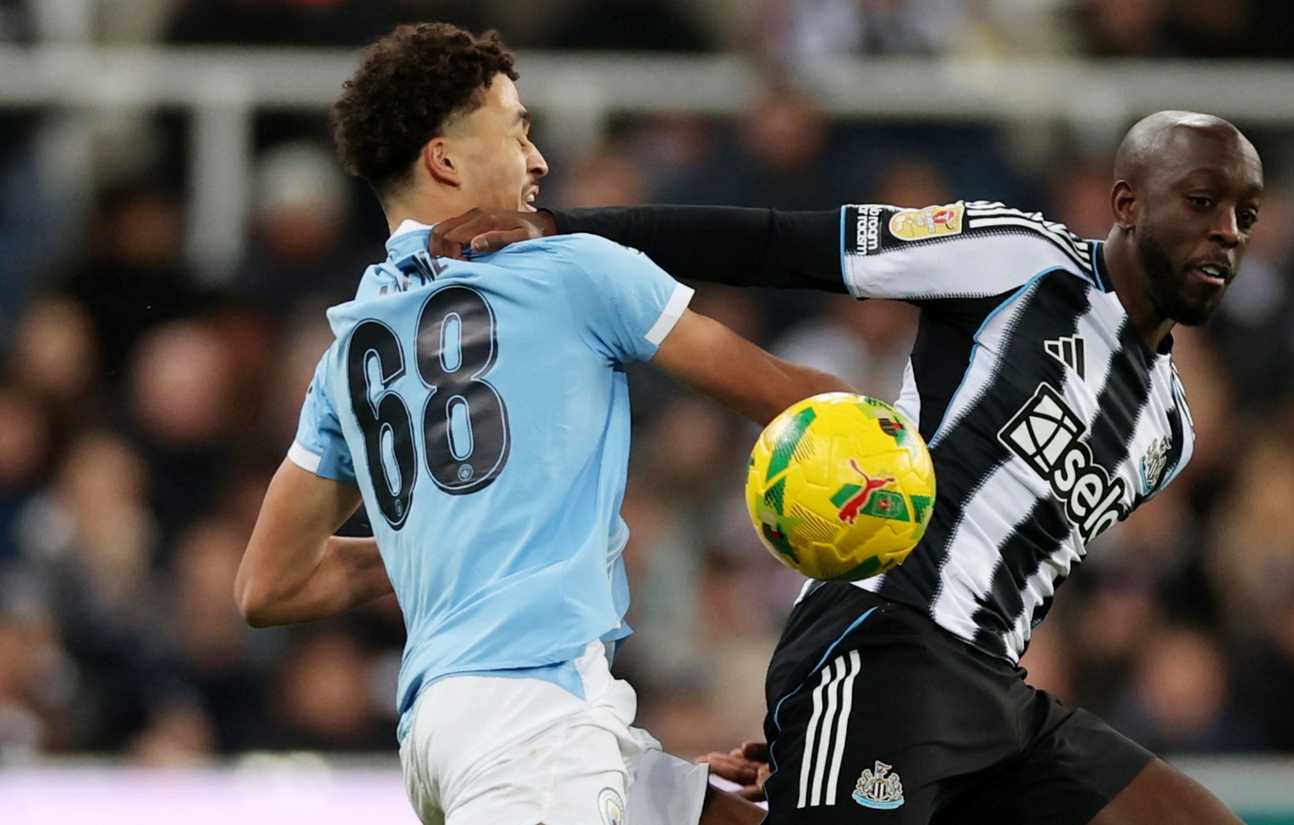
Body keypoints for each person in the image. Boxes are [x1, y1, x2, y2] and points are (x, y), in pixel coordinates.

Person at [431, 110, 1262, 825]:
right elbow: (781, 243)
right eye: (1201, 202)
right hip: (884, 641)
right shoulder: (1019, 257)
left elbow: (1025, 563)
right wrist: (568, 226)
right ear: (1126, 203)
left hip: (996, 698)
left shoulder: (1171, 430)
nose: (1227, 230)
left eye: (1245, 214)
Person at [233, 23, 843, 825]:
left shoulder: (350, 349)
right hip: (533, 720)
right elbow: (796, 400)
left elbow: (267, 585)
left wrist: (456, 536)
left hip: (452, 729)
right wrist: (939, 431)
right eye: (517, 128)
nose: (539, 159)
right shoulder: (572, 269)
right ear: (445, 160)